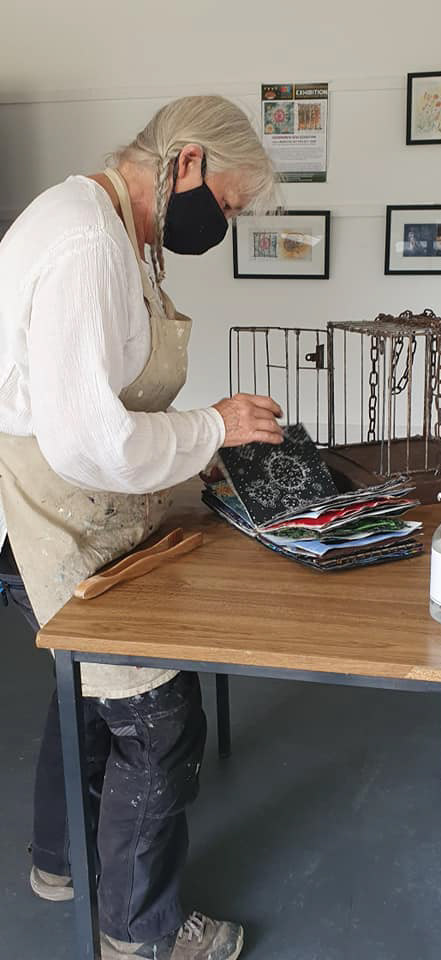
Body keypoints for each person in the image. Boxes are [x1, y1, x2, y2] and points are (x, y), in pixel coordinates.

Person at [0, 95, 283, 960]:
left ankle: (60, 864)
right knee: (157, 722)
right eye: (226, 204)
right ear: (187, 162)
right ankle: (138, 933)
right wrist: (214, 426)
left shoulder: (105, 226)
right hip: (59, 513)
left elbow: (102, 405)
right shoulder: (89, 244)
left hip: (75, 504)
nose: (220, 224)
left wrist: (191, 454)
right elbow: (89, 442)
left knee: (83, 694)